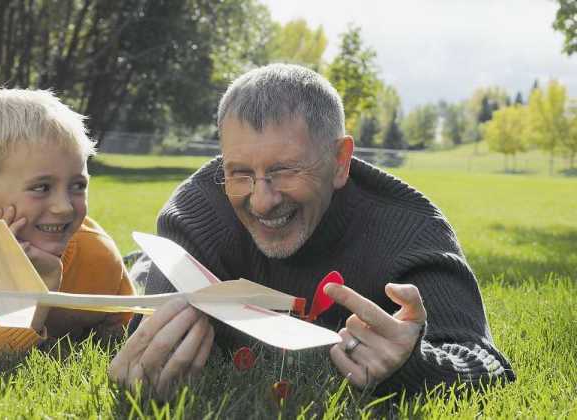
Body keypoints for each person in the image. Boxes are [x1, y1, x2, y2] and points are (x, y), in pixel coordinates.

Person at [110, 64, 514, 397]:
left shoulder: (411, 232)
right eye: (240, 173)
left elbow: (488, 364)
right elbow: (145, 339)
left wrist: (416, 365)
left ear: (340, 161)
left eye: (284, 170)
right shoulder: (196, 213)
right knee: (140, 272)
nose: (262, 200)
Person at [0, 89, 135, 353]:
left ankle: (141, 263)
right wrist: (36, 292)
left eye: (77, 185)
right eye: (41, 187)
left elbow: (128, 333)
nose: (63, 208)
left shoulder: (97, 254)